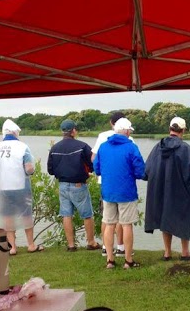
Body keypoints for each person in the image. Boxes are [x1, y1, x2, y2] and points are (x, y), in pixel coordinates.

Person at [93, 117, 145, 269]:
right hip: (126, 192)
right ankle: (128, 260)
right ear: (127, 131)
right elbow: (140, 171)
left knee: (109, 224)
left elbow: (96, 168)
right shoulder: (131, 147)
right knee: (126, 225)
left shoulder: (103, 146)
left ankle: (110, 260)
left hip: (108, 191)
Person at [144, 116, 190, 261]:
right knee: (185, 218)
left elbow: (147, 170)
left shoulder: (158, 147)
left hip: (161, 190)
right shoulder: (185, 149)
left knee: (165, 218)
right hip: (181, 191)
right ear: (183, 130)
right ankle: (185, 252)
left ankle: (167, 252)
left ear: (170, 129)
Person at [0, 119, 43, 254]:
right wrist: (30, 172)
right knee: (26, 215)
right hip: (21, 187)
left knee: (7, 216)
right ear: (15, 133)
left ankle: (12, 247)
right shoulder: (23, 147)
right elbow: (29, 168)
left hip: (2, 188)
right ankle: (31, 244)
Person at [47, 119, 100, 251]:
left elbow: (50, 170)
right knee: (87, 214)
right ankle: (91, 242)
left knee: (66, 214)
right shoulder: (82, 146)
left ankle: (71, 245)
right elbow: (92, 164)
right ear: (73, 131)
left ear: (62, 131)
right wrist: (88, 171)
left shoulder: (55, 148)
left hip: (63, 185)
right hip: (78, 185)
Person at [92, 111, 127, 256]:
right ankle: (120, 247)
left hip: (105, 183)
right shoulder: (128, 137)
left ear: (111, 123)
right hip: (124, 183)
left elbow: (94, 158)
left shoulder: (102, 136)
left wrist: (102, 172)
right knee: (122, 217)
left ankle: (106, 247)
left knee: (107, 217)